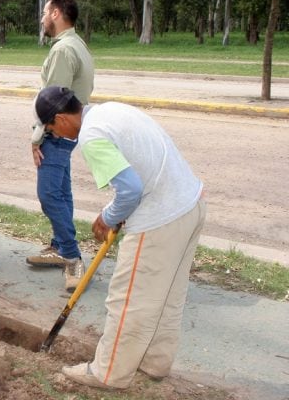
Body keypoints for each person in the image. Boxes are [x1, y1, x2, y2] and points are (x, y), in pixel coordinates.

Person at [34, 86, 206, 390]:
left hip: (160, 218)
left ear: (60, 119)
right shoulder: (109, 111)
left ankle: (108, 372)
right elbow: (139, 169)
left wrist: (108, 217)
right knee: (166, 295)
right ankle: (155, 362)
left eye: (50, 128)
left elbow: (129, 189)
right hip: (189, 204)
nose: (55, 135)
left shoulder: (91, 136)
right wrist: (123, 207)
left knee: (127, 300)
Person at [26, 0, 95, 293]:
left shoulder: (63, 50)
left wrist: (36, 137)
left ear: (55, 13)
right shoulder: (76, 44)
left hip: (57, 131)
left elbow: (52, 101)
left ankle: (71, 256)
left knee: (49, 195)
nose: (42, 18)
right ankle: (59, 246)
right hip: (68, 131)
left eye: (44, 12)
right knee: (62, 193)